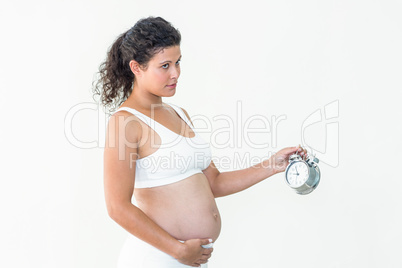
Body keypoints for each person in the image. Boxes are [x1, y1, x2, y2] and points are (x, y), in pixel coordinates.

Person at [93, 16, 307, 268]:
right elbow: (117, 207)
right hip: (157, 258)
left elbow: (213, 182)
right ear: (136, 68)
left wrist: (273, 165)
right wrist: (177, 249)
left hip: (190, 259)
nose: (175, 73)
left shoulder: (180, 114)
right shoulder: (125, 123)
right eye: (165, 66)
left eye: (178, 62)